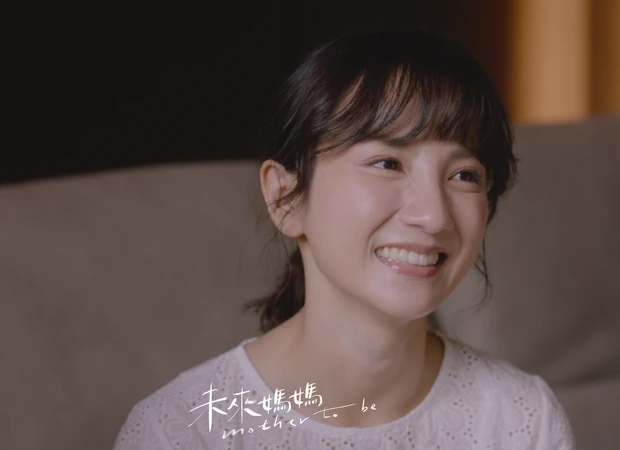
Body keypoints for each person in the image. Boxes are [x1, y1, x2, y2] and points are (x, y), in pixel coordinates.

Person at [114, 28, 574, 449]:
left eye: (464, 174)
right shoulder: (183, 430)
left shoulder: (522, 420)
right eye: (387, 163)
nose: (434, 216)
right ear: (285, 197)